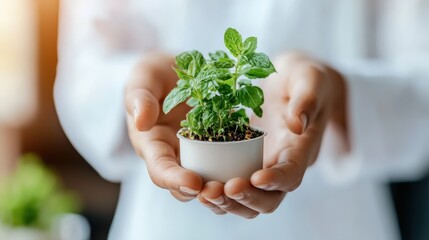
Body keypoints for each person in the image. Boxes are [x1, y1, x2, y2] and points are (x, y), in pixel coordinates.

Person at [54, 0, 429, 239]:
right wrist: (134, 92)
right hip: (165, 223)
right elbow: (83, 74)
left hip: (333, 220)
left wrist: (336, 94)